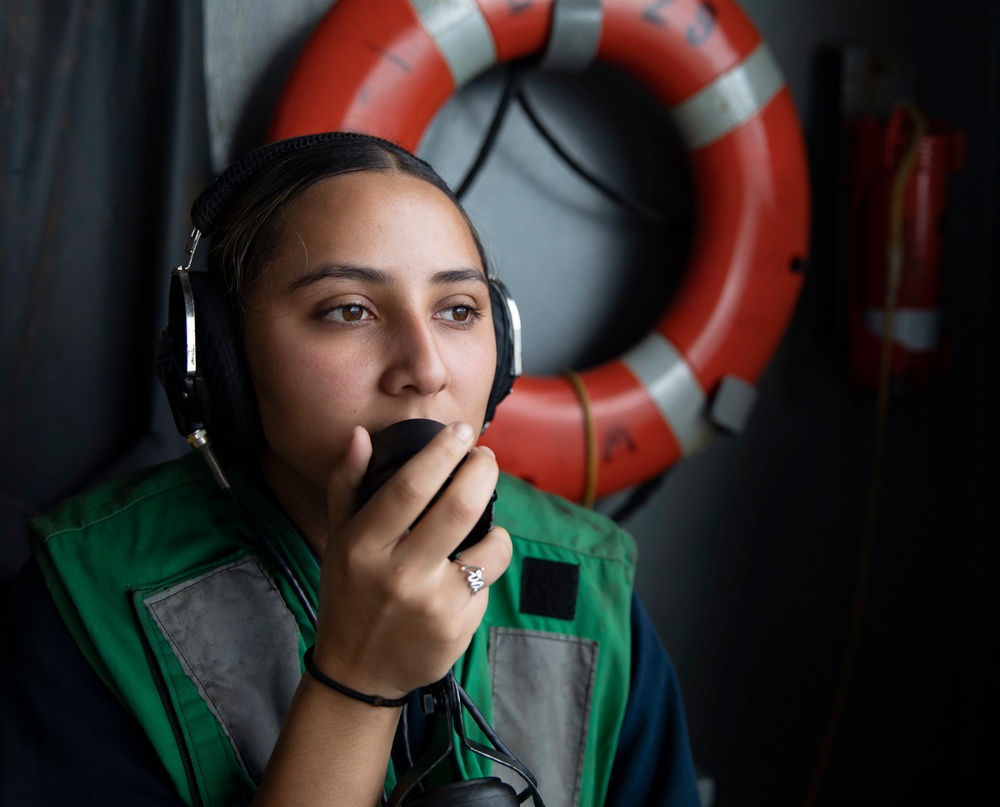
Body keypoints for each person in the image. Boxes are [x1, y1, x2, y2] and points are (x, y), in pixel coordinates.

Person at [0, 132, 700, 806]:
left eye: (458, 309)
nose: (425, 369)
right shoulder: (90, 600)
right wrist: (358, 679)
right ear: (222, 360)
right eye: (349, 311)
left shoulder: (587, 585)